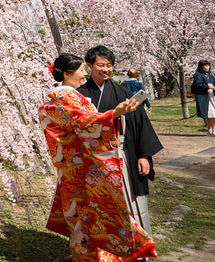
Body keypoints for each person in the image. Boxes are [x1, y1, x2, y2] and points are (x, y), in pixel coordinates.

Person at [39, 53, 156, 262]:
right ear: (67, 74)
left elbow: (83, 122)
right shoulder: (64, 96)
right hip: (80, 168)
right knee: (84, 218)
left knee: (91, 215)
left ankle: (101, 255)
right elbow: (84, 123)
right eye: (82, 70)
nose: (85, 74)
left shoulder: (71, 95)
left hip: (81, 166)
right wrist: (113, 113)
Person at [78, 45, 163, 240]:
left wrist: (144, 156)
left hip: (124, 154)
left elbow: (141, 125)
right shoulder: (79, 95)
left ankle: (138, 249)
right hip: (93, 159)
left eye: (109, 65)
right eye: (101, 65)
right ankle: (105, 248)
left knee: (131, 201)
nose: (106, 69)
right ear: (89, 65)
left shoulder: (123, 92)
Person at [190, 60, 215, 135]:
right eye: (205, 66)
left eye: (208, 65)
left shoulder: (211, 75)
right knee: (209, 113)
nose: (207, 67)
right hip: (204, 96)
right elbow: (198, 85)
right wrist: (209, 86)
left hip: (212, 95)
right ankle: (210, 129)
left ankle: (213, 129)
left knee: (213, 113)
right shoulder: (198, 75)